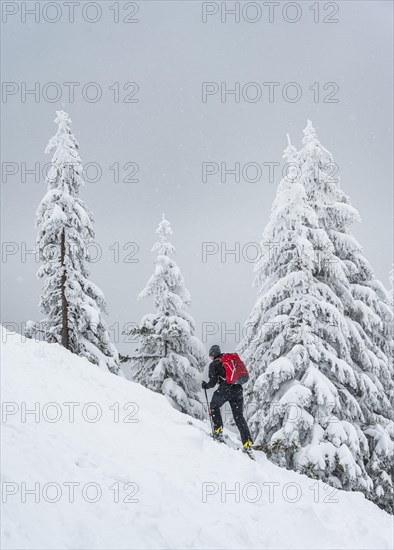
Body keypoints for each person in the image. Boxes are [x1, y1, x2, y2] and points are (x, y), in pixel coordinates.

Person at [202, 344, 253, 450]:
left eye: (210, 355)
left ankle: (217, 430)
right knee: (238, 416)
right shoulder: (229, 360)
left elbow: (212, 382)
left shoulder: (214, 364)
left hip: (225, 389)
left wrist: (206, 385)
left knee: (214, 406)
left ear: (212, 355)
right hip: (238, 389)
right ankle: (247, 441)